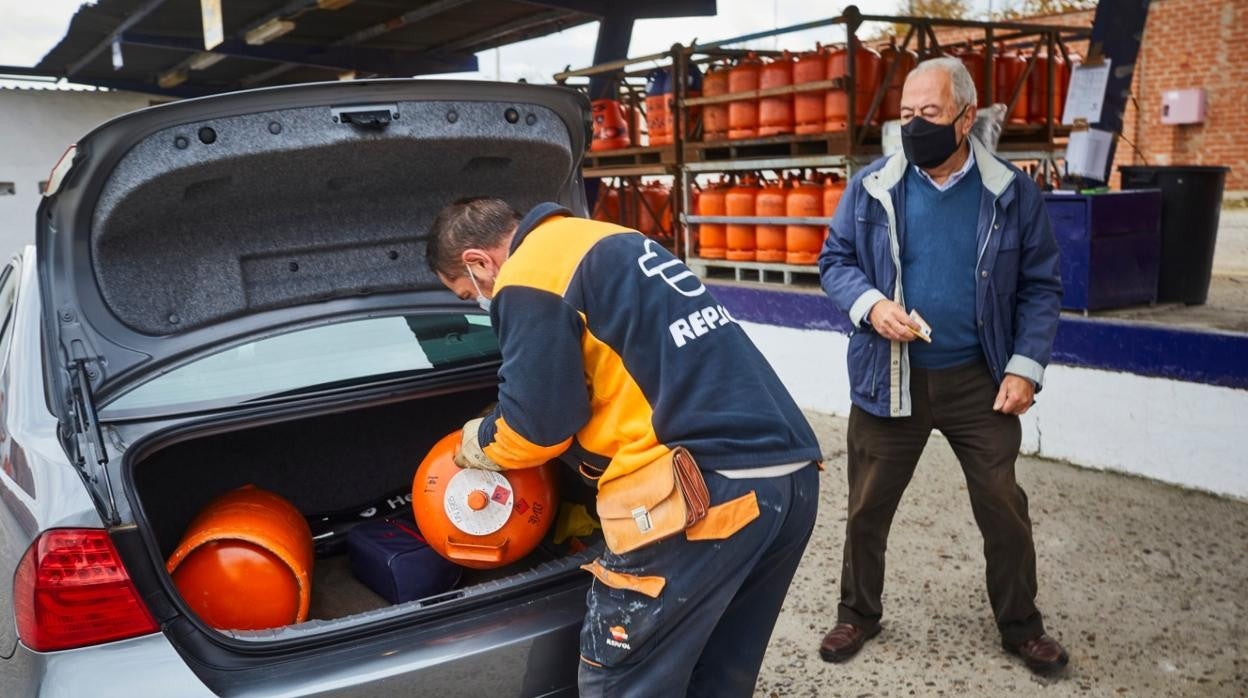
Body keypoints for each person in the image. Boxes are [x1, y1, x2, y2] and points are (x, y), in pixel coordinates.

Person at [425, 197, 822, 696]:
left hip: (701, 491)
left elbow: (539, 428)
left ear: (477, 262)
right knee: (718, 673)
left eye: (468, 294)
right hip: (788, 476)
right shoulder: (608, 240)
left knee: (622, 680)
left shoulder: (529, 274)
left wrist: (480, 441)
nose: (479, 299)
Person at [816, 57, 1068, 674]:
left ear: (965, 118)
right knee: (866, 508)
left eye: (929, 114)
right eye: (906, 115)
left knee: (1003, 504)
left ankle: (1020, 625)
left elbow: (1041, 286)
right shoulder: (872, 186)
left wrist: (1025, 366)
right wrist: (871, 306)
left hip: (979, 381)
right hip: (890, 376)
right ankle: (856, 615)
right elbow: (835, 260)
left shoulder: (1011, 192)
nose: (914, 126)